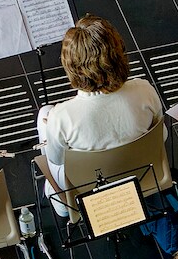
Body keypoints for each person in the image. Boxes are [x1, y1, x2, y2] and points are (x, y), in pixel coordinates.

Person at [36, 14, 167, 184]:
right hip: (147, 176)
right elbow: (161, 136)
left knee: (44, 114)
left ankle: (62, 206)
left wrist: (52, 127)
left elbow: (56, 160)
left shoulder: (61, 116)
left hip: (91, 189)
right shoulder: (144, 90)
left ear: (72, 67)